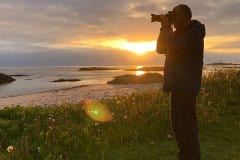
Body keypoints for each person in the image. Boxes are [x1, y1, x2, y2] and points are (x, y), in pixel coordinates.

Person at [154, 4, 205, 160]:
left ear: (185, 16)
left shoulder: (193, 34)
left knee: (187, 127)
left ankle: (192, 156)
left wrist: (165, 25)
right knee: (178, 127)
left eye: (174, 14)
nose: (172, 17)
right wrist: (165, 28)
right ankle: (185, 155)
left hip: (186, 86)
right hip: (178, 85)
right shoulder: (180, 33)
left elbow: (170, 46)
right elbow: (161, 48)